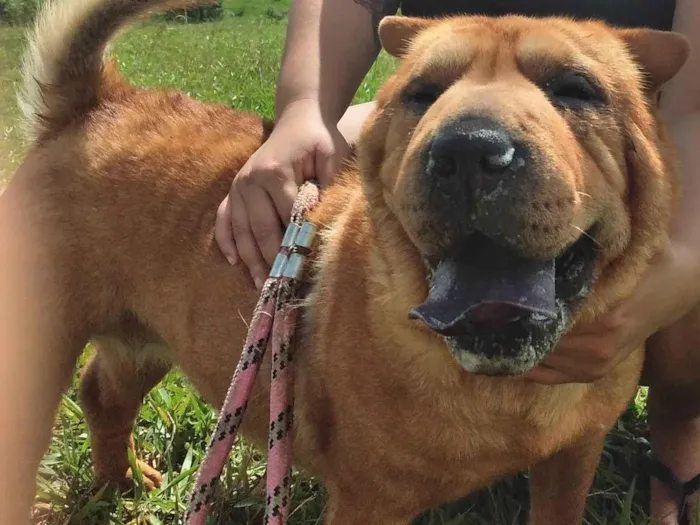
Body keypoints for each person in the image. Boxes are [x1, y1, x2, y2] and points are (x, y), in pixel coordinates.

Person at [214, 1, 700, 523]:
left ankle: (681, 419)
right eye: (427, 89)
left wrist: (687, 264)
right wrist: (305, 107)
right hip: (416, 135)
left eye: (573, 90)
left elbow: (693, 109)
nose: (477, 150)